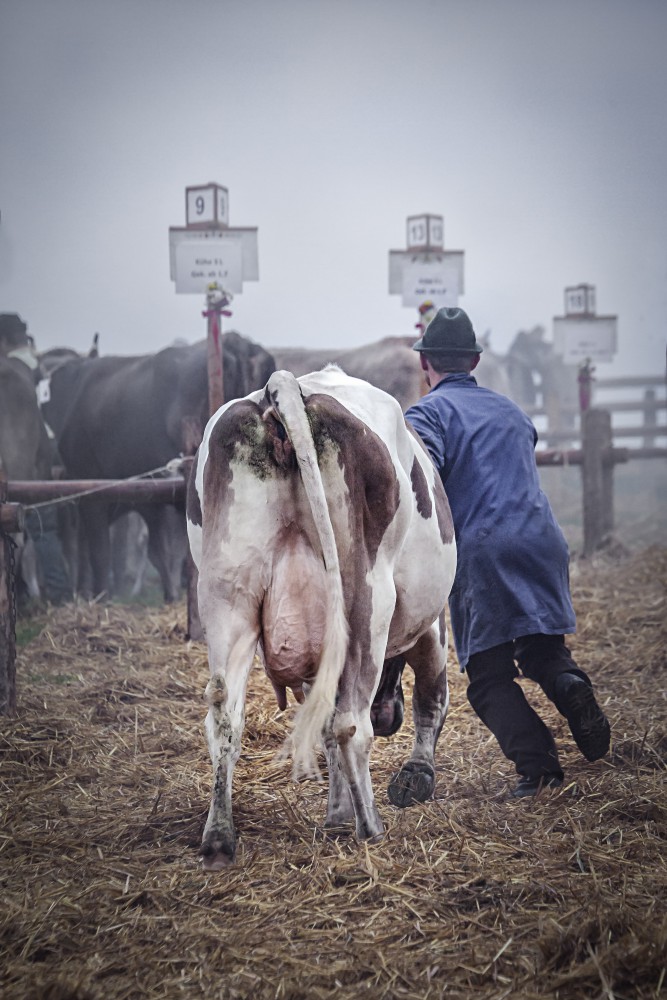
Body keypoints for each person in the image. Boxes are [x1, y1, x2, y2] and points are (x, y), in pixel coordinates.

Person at [404, 306, 610, 797]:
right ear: (474, 361)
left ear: (426, 364)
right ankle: (570, 686)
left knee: (487, 678)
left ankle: (539, 770)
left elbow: (422, 475)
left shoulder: (426, 413)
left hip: (484, 548)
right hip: (542, 538)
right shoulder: (512, 410)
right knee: (542, 647)